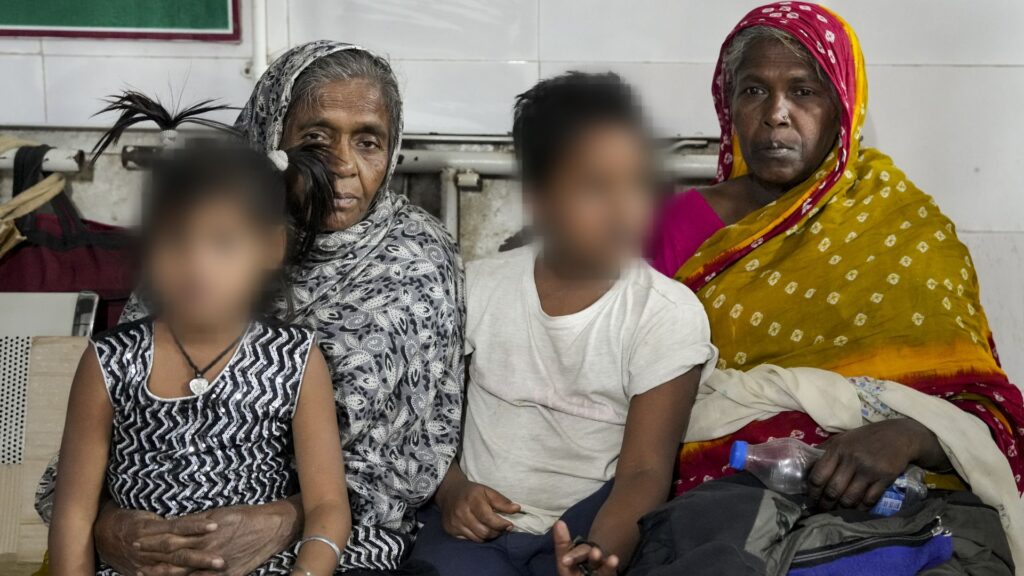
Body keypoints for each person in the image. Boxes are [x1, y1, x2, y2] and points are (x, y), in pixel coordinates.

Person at [36, 42, 464, 575]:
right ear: (271, 136)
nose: (343, 166)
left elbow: (398, 467)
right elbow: (94, 479)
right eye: (316, 139)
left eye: (368, 142)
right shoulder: (192, 236)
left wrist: (286, 522)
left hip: (338, 542)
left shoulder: (415, 261)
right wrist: (111, 527)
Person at [647, 3, 1024, 510]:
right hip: (716, 501)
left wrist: (909, 436)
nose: (776, 113)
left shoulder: (905, 226)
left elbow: (989, 412)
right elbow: (619, 382)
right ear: (729, 105)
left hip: (893, 508)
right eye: (753, 91)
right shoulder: (677, 227)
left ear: (843, 105)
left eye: (804, 91)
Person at [410, 72, 718, 576]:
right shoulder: (476, 289)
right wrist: (452, 492)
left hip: (591, 524)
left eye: (636, 183)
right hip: (476, 529)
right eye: (595, 187)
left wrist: (600, 554)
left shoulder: (665, 313)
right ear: (539, 197)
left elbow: (644, 473)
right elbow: (430, 423)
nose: (623, 209)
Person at [48, 142, 350, 575]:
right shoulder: (109, 362)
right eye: (174, 239)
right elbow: (73, 516)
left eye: (223, 243)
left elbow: (328, 505)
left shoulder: (296, 360)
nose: (197, 265)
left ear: (270, 247)